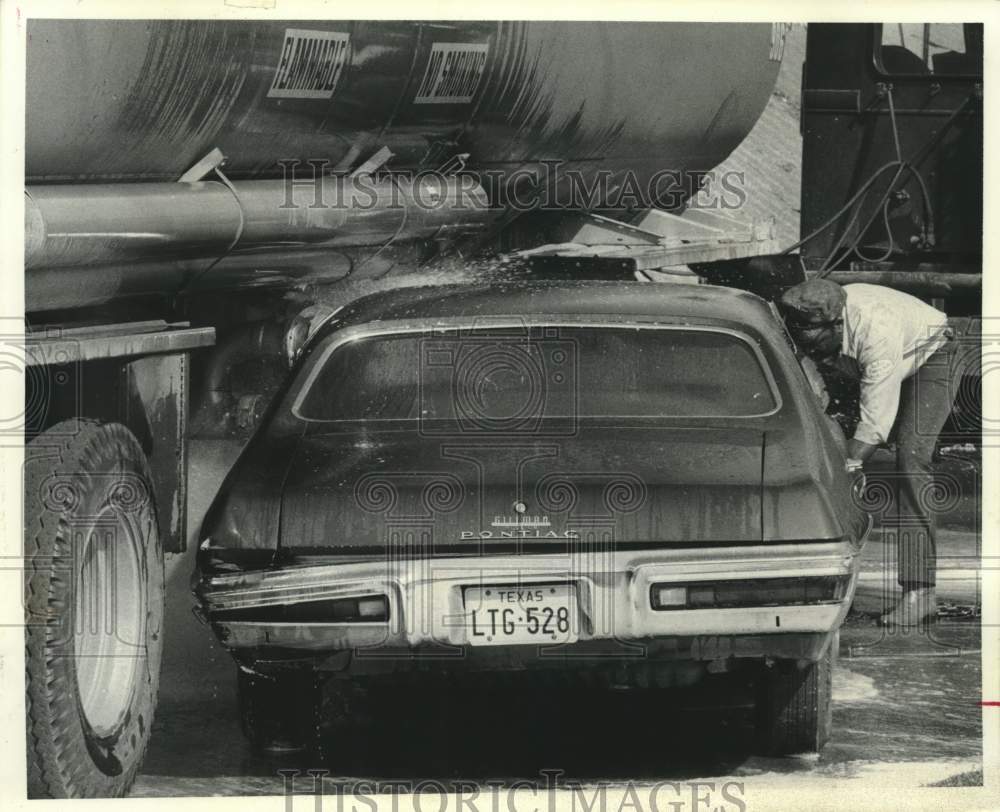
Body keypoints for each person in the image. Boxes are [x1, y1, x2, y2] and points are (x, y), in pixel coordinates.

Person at [778, 278, 958, 627]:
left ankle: (920, 593)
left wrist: (844, 467)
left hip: (931, 353)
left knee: (910, 458)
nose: (810, 351)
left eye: (816, 345)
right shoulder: (804, 326)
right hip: (855, 356)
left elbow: (876, 424)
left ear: (837, 324)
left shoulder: (878, 333)